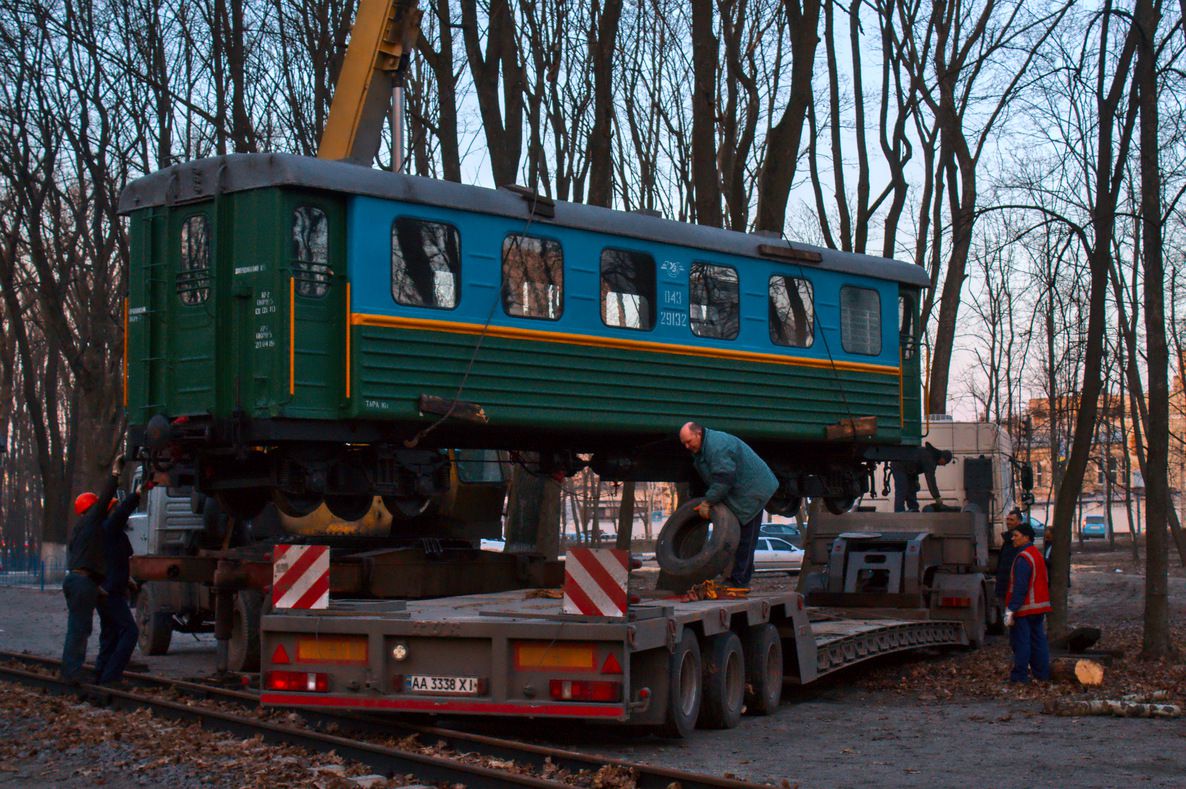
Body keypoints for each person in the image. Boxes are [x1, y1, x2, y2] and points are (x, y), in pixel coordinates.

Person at [679, 422, 778, 588]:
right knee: (736, 536)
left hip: (753, 491)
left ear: (698, 434)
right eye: (684, 443)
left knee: (747, 538)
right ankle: (733, 577)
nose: (687, 446)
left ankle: (740, 582)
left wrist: (708, 501)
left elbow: (723, 480)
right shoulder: (703, 448)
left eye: (689, 441)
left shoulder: (718, 447)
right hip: (741, 490)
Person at [61, 455, 124, 683]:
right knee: (79, 629)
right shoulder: (91, 522)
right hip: (81, 583)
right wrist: (115, 475)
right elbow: (105, 498)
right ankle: (72, 674)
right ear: (92, 508)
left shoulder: (81, 530)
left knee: (77, 627)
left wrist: (96, 586)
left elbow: (82, 561)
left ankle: (71, 669)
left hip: (77, 582)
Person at [94, 473, 155, 685]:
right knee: (129, 633)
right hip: (110, 593)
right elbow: (122, 513)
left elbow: (117, 560)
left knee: (110, 636)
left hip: (111, 590)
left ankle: (101, 676)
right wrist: (137, 494)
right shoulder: (109, 528)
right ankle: (111, 677)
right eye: (115, 508)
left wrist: (127, 579)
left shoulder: (114, 534)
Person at [1004, 520, 1052, 683]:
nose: (1013, 539)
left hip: (1025, 609)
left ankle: (1020, 676)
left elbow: (1020, 587)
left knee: (1022, 643)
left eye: (1016, 536)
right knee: (1038, 642)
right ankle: (1042, 674)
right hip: (1039, 607)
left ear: (1026, 537)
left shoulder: (1023, 558)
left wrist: (1011, 610)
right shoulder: (1036, 554)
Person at [890, 443, 953, 512]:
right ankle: (899, 513)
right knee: (902, 490)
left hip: (909, 470)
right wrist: (937, 497)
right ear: (943, 458)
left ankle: (913, 510)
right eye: (945, 462)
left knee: (912, 489)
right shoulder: (930, 458)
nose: (944, 465)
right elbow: (930, 480)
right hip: (899, 465)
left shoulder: (931, 456)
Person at [995, 509, 1023, 609]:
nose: (1008, 522)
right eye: (1007, 519)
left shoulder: (1018, 543)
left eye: (1011, 520)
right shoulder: (1008, 541)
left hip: (1012, 589)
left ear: (1019, 521)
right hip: (1005, 587)